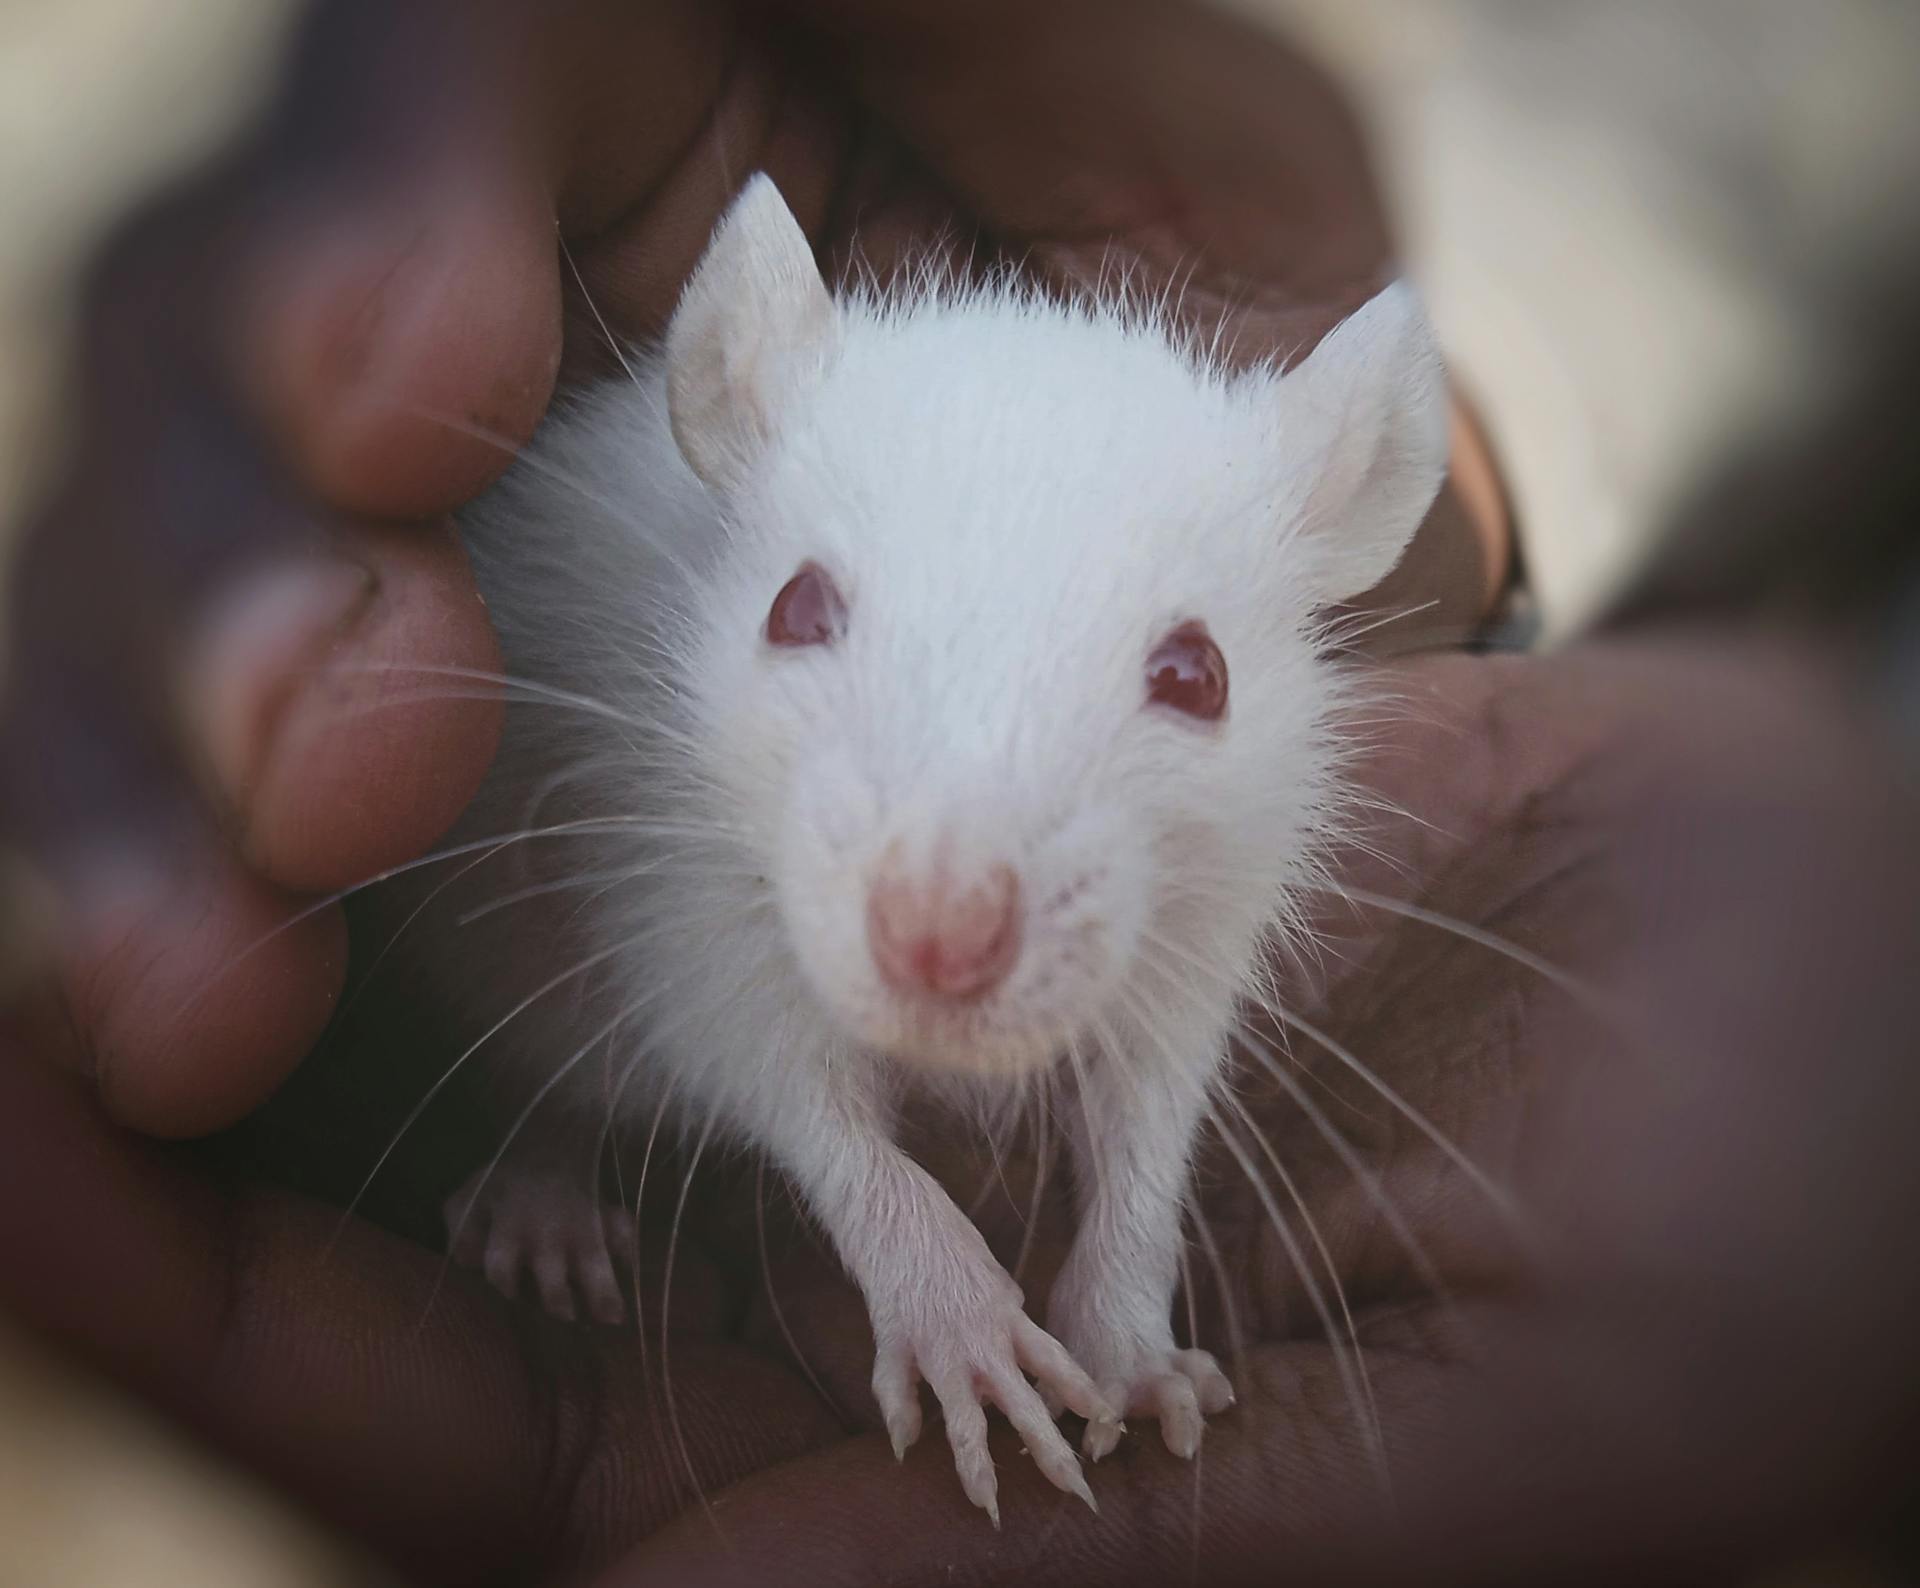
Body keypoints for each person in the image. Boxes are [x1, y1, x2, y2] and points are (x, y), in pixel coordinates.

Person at [2, 2, 1915, 1583]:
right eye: (812, 619)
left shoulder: (1264, 600)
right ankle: (538, 1154)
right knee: (498, 943)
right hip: (513, 982)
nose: (948, 902)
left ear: (1344, 512)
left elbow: (1174, 1025)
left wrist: (1123, 1286)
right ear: (740, 404)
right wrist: (909, 1242)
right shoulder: (753, 459)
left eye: (1178, 678)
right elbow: (696, 973)